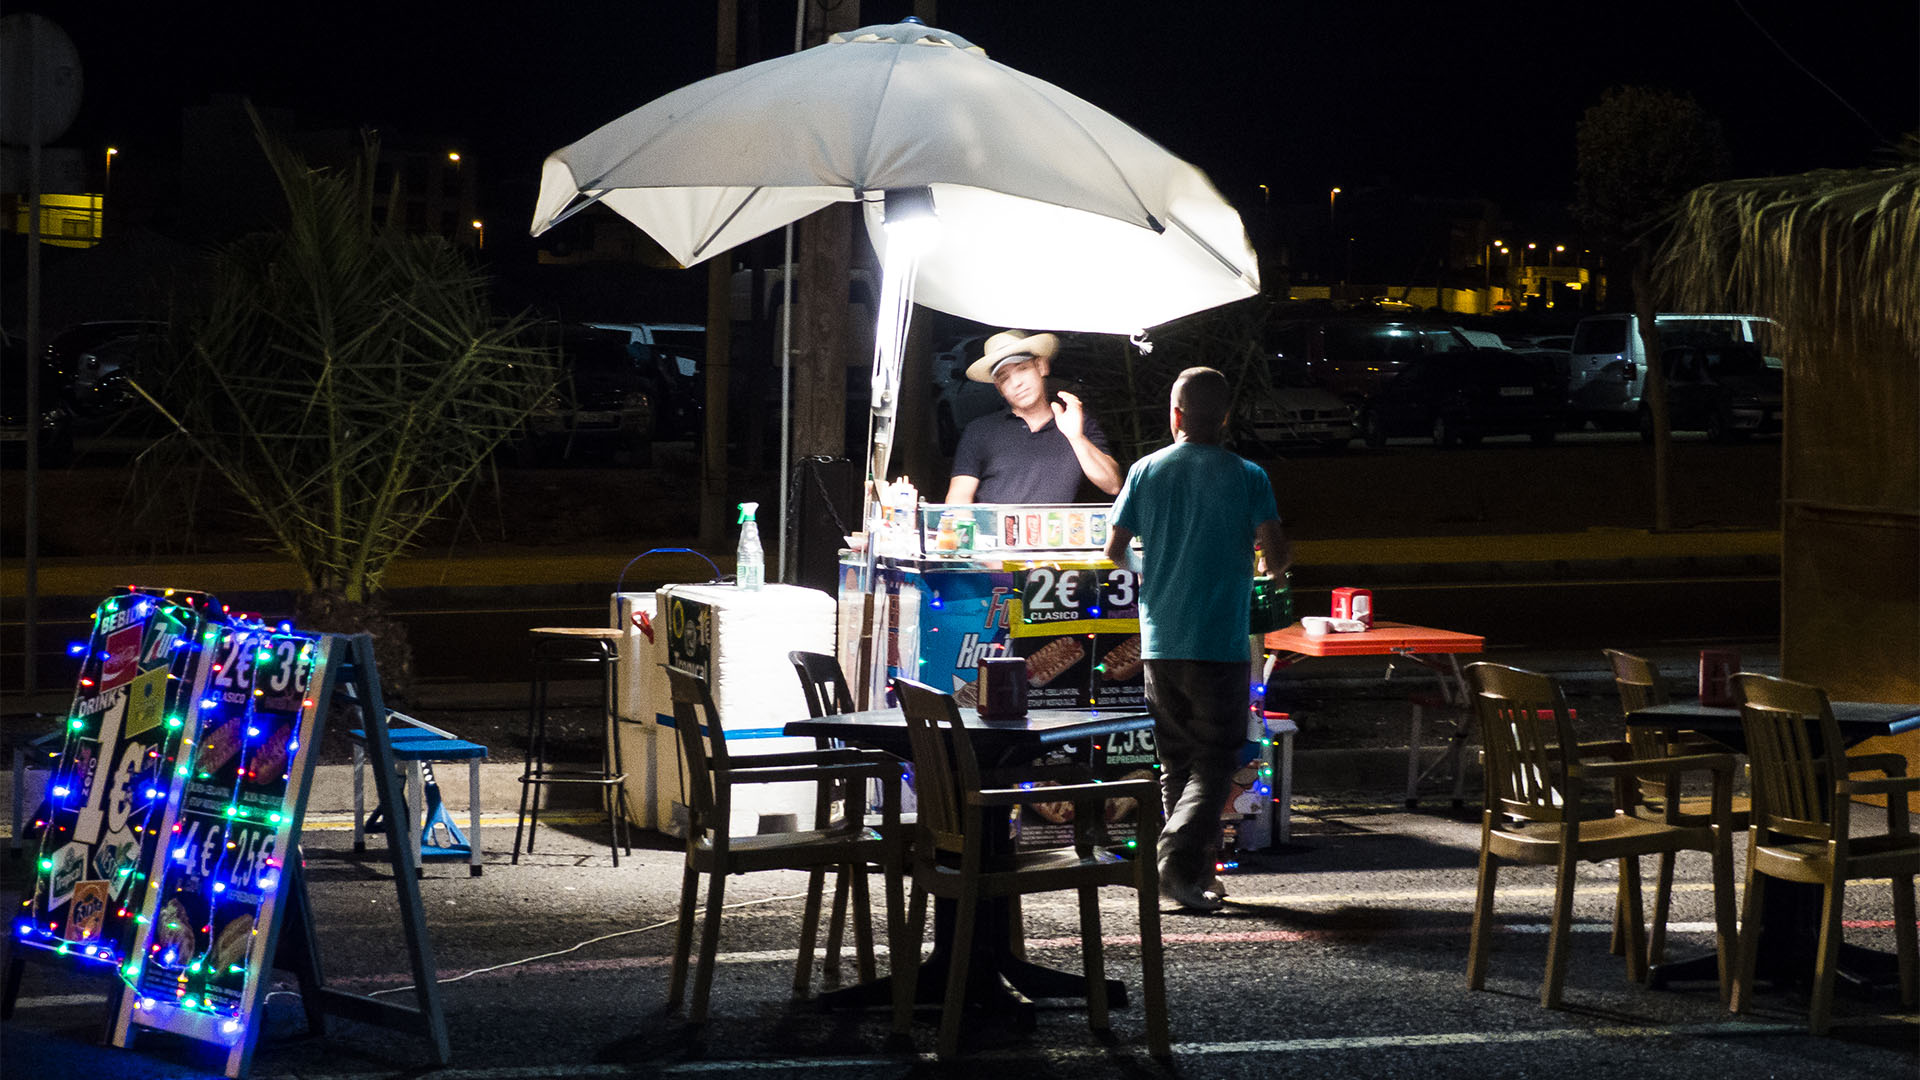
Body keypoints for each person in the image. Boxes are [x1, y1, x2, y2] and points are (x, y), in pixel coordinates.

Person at [1102, 366, 1290, 912]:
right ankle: (1176, 867)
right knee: (1214, 761)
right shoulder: (1248, 475)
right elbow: (1276, 558)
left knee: (1176, 764)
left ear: (1175, 415)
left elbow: (1115, 551)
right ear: (1226, 417)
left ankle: (1191, 875)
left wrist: (1152, 566)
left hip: (1160, 641)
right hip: (1219, 642)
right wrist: (1270, 569)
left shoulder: (1144, 471)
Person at [944, 330, 1122, 504]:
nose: (1016, 383)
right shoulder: (979, 431)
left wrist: (1076, 437)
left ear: (1041, 366)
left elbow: (1113, 485)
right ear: (999, 388)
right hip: (995, 533)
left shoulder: (1076, 423)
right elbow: (958, 498)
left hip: (1056, 533)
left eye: (1022, 368)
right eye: (1004, 378)